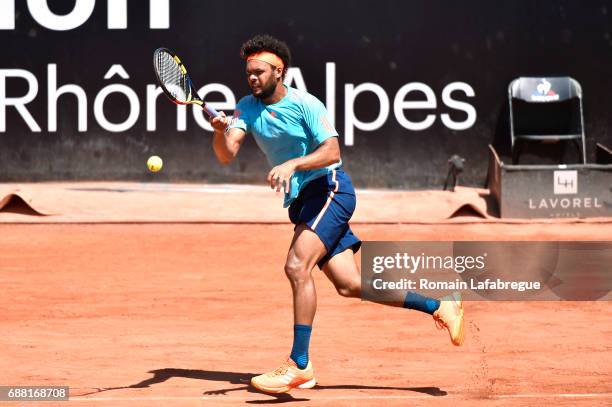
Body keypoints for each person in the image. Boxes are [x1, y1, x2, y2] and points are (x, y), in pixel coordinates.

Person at [210, 34, 465, 395]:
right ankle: (440, 306)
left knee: (297, 266)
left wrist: (292, 163)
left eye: (259, 72)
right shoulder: (244, 107)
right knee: (350, 285)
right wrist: (219, 132)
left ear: (278, 71)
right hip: (303, 201)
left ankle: (299, 364)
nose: (252, 78)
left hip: (329, 189)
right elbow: (227, 153)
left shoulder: (306, 104)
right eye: (248, 72)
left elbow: (332, 152)